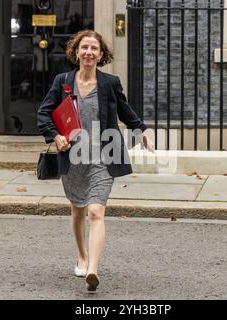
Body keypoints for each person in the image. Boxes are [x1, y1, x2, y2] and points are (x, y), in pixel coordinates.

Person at [37, 30, 154, 292]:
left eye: (94, 48)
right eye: (84, 47)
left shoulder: (110, 83)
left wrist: (142, 130)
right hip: (74, 155)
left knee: (95, 211)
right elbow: (44, 113)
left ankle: (93, 269)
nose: (89, 52)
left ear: (101, 55)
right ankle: (81, 255)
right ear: (76, 52)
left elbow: (124, 110)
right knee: (78, 209)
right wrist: (55, 137)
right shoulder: (62, 81)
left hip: (104, 154)